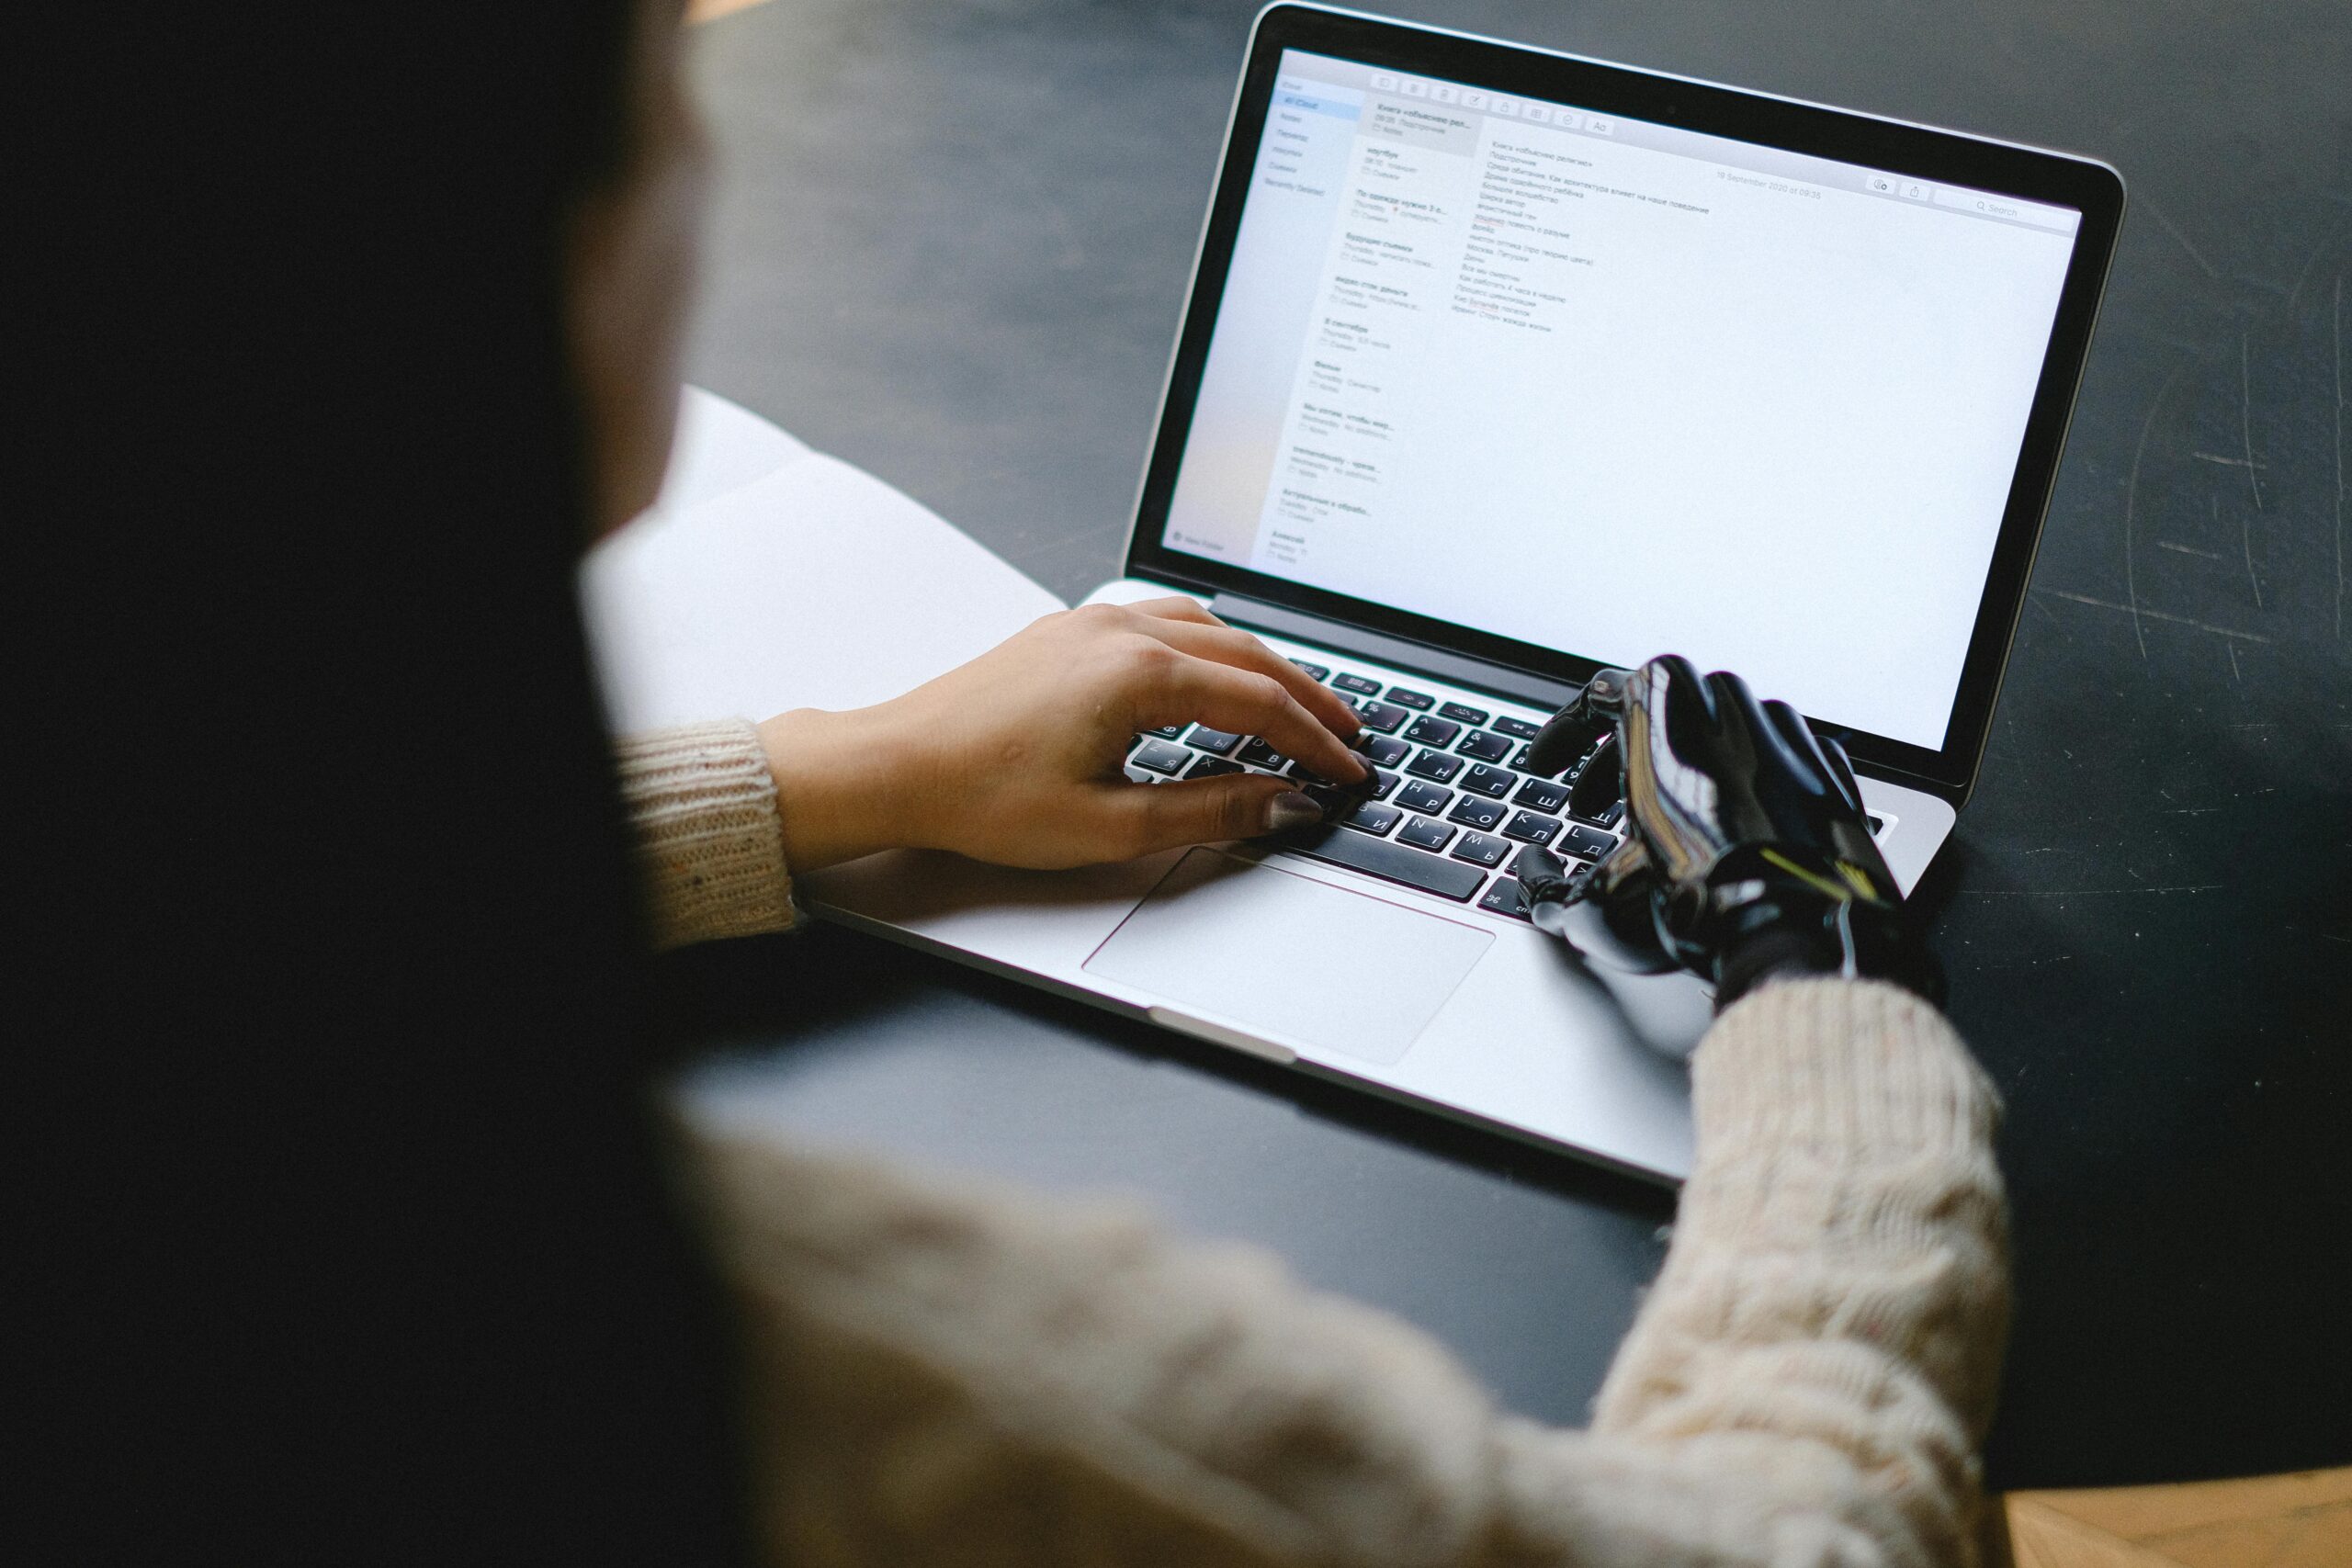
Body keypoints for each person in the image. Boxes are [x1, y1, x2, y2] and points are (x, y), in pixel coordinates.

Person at [24, 2, 2007, 1563]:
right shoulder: (874, 1397)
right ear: (549, 286)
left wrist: (841, 775)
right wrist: (1812, 970)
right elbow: (1815, 1534)